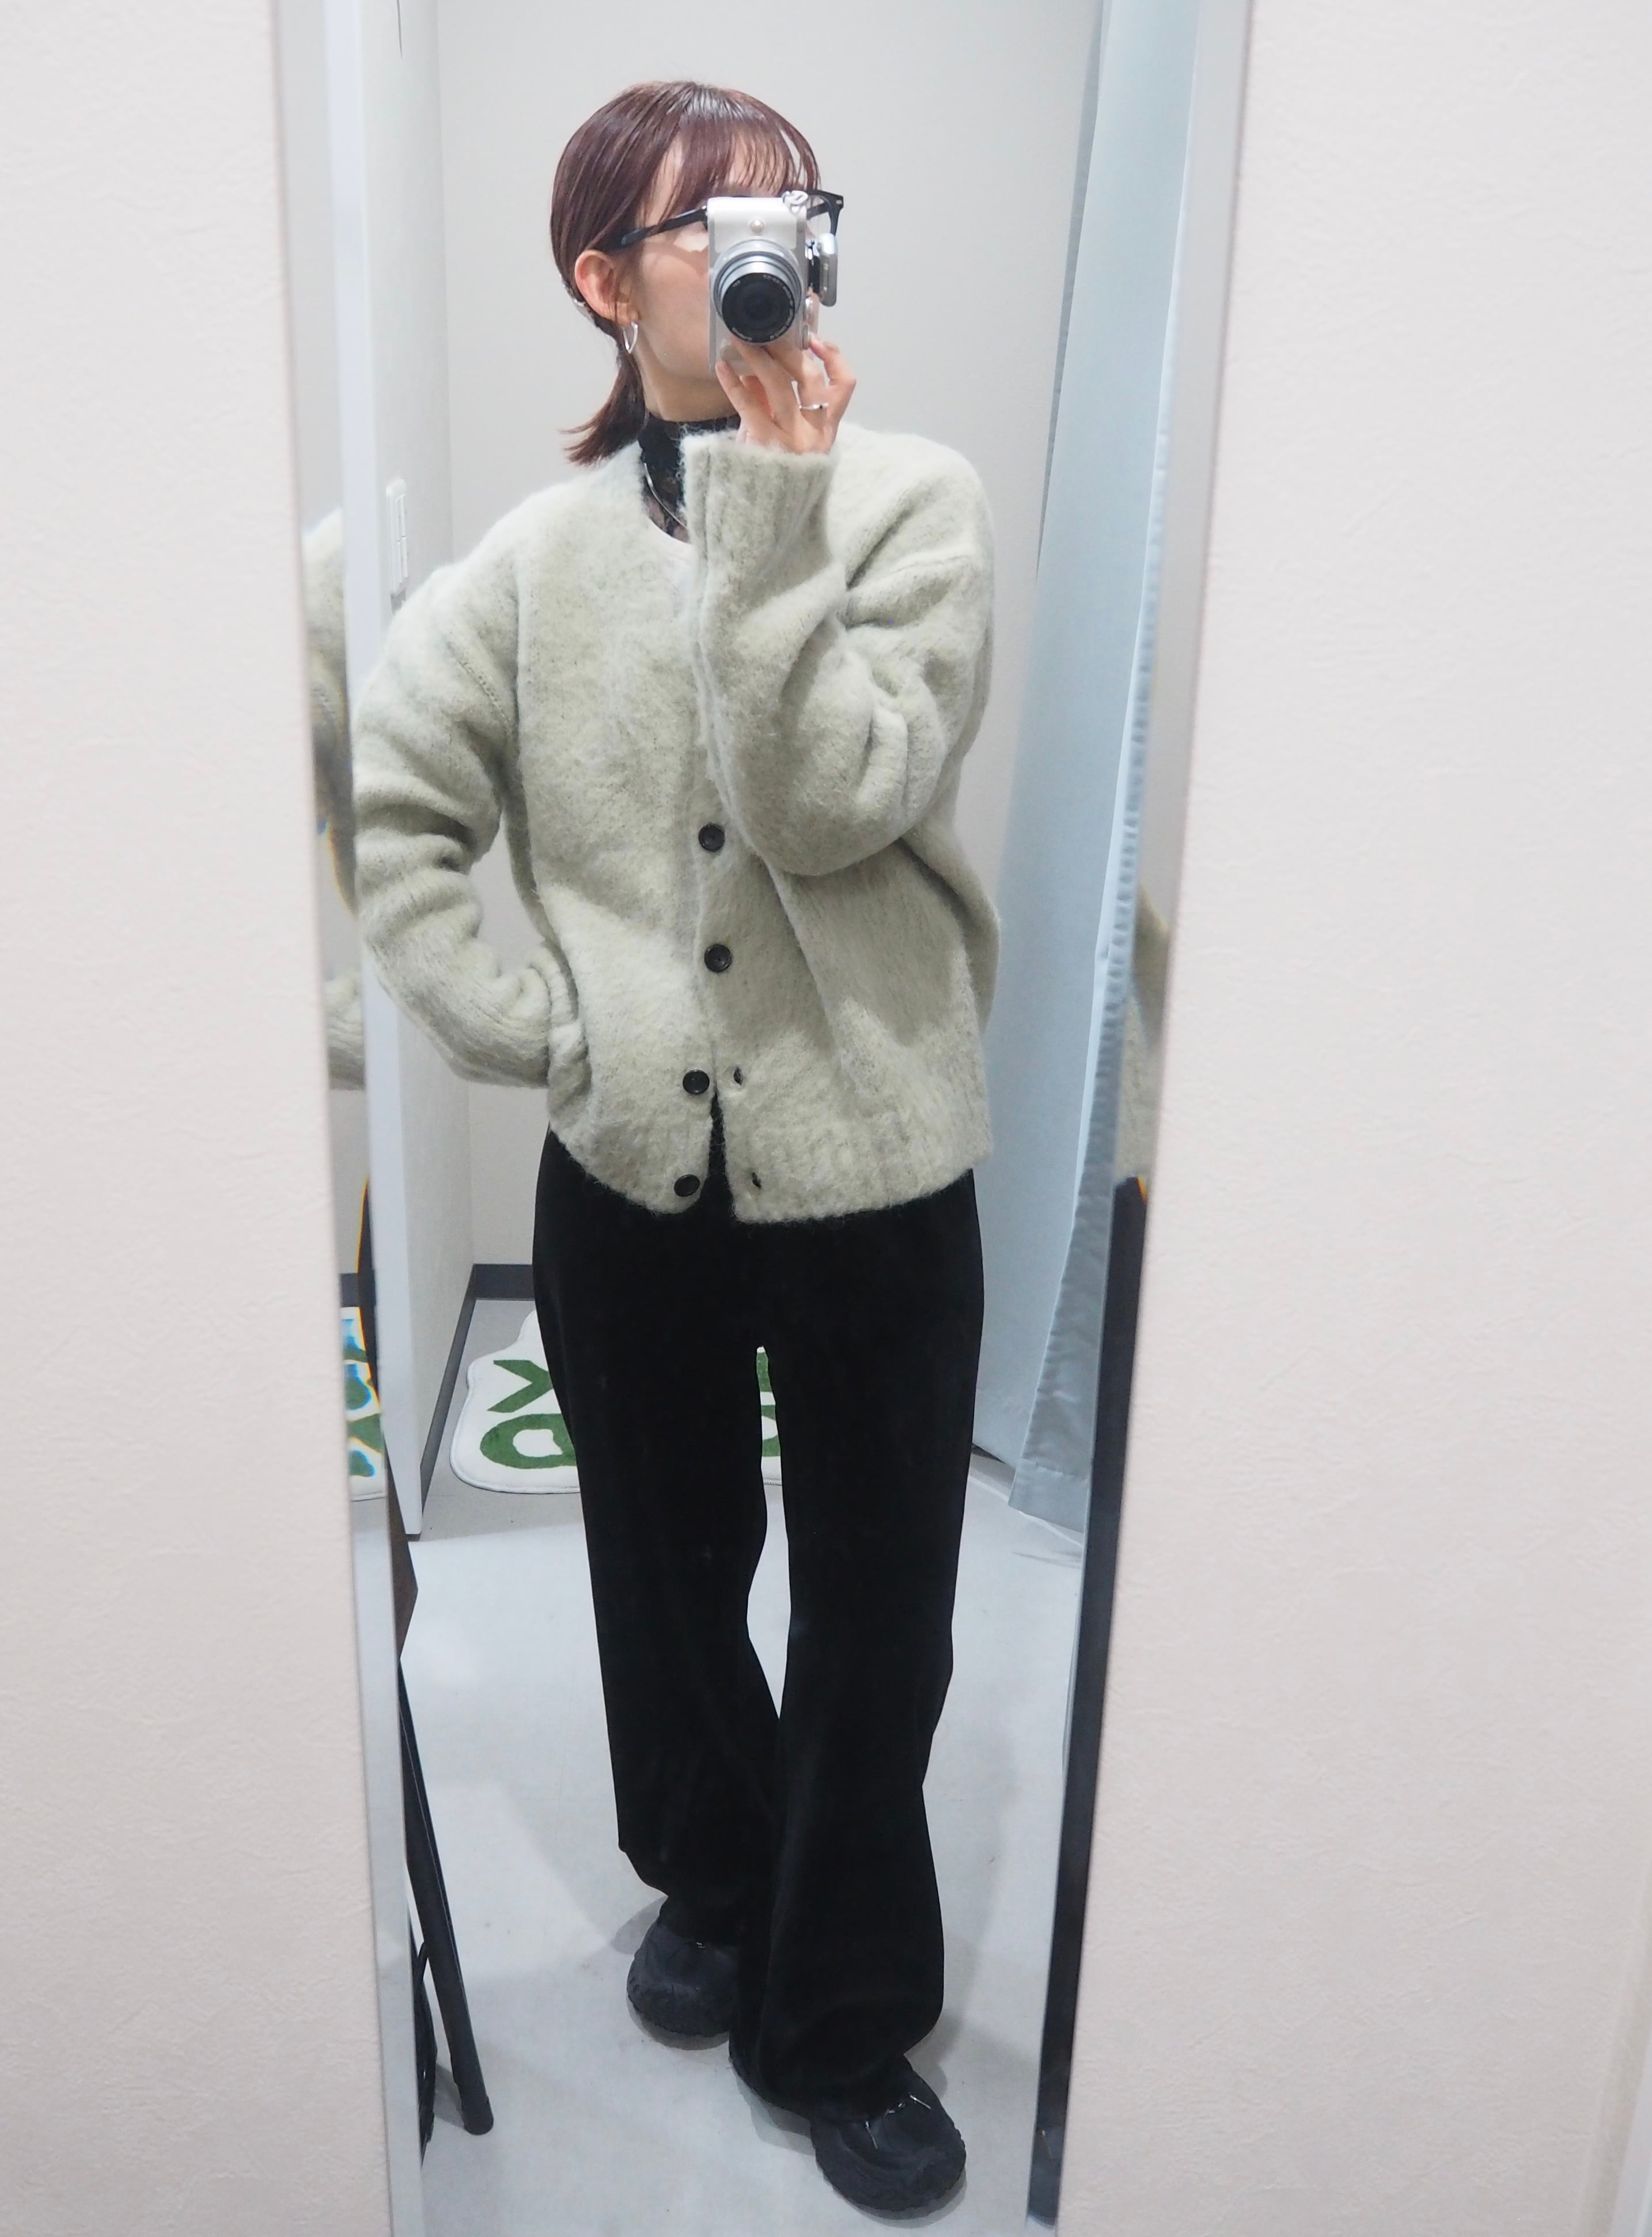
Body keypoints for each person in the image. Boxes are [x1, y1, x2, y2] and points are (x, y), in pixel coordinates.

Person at [351, 78, 998, 2216]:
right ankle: (714, 1877)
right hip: (632, 1168)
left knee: (883, 1615)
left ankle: (837, 2013)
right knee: (662, 1572)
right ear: (600, 280)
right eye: (704, 228)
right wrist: (536, 1030)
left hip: (877, 1158)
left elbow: (825, 802)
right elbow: (401, 815)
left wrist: (777, 514)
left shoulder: (912, 508)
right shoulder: (531, 564)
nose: (757, 258)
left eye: (788, 214)